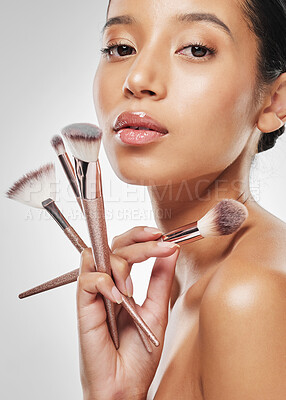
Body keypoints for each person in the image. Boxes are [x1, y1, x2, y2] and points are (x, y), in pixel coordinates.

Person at [76, 0, 286, 398]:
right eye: (120, 47)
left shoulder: (249, 295)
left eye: (195, 49)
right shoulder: (180, 287)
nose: (138, 78)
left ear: (275, 100)